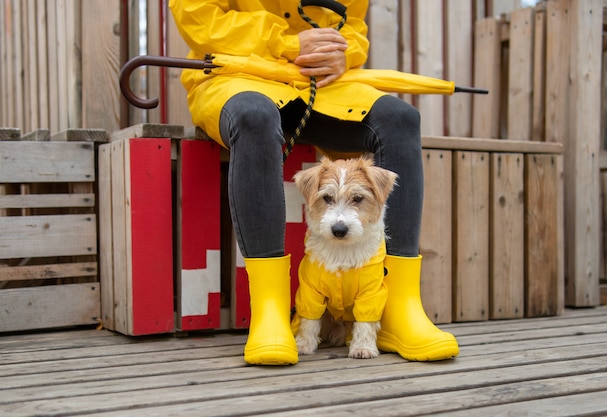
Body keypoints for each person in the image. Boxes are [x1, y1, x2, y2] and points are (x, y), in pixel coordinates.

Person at [169, 0, 459, 365]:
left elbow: (352, 27)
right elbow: (198, 18)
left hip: (321, 84)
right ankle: (271, 311)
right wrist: (287, 43)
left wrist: (345, 53)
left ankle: (398, 308)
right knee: (255, 118)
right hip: (237, 75)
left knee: (400, 119)